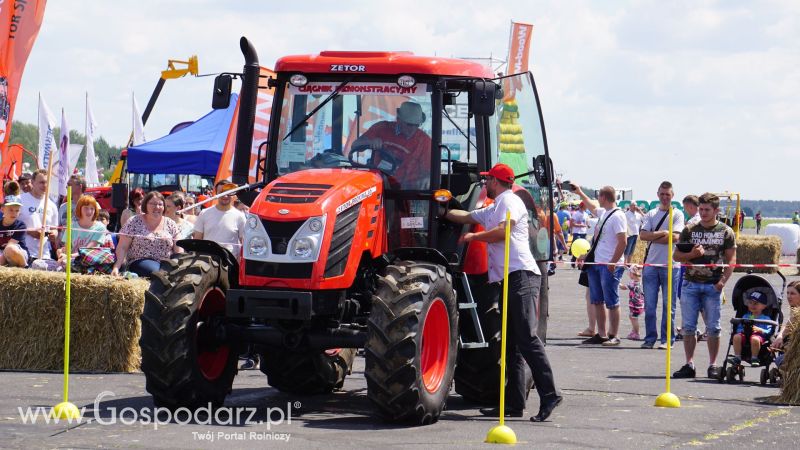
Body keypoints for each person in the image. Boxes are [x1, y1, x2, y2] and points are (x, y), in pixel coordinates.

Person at [445, 163, 561, 422]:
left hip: (522, 276)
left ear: (496, 182)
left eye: (488, 180)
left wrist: (473, 239)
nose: (485, 184)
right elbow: (466, 217)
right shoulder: (495, 206)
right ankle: (514, 403)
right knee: (511, 344)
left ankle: (550, 394)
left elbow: (502, 232)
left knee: (528, 338)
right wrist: (442, 209)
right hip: (510, 279)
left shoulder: (509, 201)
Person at [673, 193, 737, 379]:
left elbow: (732, 259)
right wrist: (691, 254)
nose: (703, 213)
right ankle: (689, 364)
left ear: (716, 210)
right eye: (700, 209)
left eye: (707, 210)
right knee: (689, 327)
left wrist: (722, 282)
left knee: (714, 328)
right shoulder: (690, 229)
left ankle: (713, 365)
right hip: (690, 283)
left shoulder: (725, 231)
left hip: (713, 286)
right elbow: (676, 256)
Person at [572, 184, 627, 346]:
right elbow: (591, 205)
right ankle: (601, 333)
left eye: (599, 197)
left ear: (604, 197)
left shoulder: (617, 216)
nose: (598, 200)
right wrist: (580, 193)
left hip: (609, 264)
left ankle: (614, 335)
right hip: (596, 262)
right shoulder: (605, 212)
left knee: (612, 301)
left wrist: (614, 261)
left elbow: (622, 241)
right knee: (597, 300)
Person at [639, 181, 684, 350]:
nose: (665, 197)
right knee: (649, 305)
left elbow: (676, 237)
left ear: (672, 196)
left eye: (668, 194)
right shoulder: (651, 213)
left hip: (671, 265)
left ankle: (667, 339)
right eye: (662, 194)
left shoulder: (677, 214)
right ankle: (650, 338)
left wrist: (655, 236)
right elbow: (643, 236)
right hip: (651, 264)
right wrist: (664, 233)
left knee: (668, 305)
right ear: (658, 194)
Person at [351, 101, 431, 189]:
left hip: (407, 190)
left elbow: (428, 171)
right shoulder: (381, 128)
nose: (413, 129)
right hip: (379, 184)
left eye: (416, 125)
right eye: (409, 124)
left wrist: (426, 178)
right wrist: (370, 142)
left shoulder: (424, 141)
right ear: (399, 119)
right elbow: (355, 145)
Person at [112, 191, 182, 278]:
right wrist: (116, 267)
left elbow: (179, 249)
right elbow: (122, 247)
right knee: (158, 273)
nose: (157, 207)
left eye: (160, 204)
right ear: (145, 205)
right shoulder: (134, 221)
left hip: (166, 264)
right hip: (140, 262)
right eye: (152, 204)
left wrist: (179, 265)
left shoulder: (171, 224)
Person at [193, 180, 246, 257]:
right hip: (207, 262)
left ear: (233, 194)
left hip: (230, 263)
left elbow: (244, 243)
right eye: (221, 192)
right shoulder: (204, 213)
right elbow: (197, 241)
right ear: (216, 194)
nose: (225, 196)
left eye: (228, 192)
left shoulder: (240, 216)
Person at [56, 195, 113, 265]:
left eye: (92, 208)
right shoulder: (71, 226)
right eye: (86, 208)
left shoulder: (100, 227)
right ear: (80, 209)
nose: (89, 211)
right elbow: (67, 248)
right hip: (72, 261)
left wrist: (68, 256)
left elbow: (87, 251)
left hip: (89, 263)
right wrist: (61, 253)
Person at [19, 169, 59, 260]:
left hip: (44, 255)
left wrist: (53, 234)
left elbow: (54, 229)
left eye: (47, 182)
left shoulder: (52, 205)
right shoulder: (20, 200)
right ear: (32, 182)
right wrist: (29, 231)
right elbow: (8, 225)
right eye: (41, 182)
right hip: (22, 253)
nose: (44, 185)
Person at [728, 291, 773, 367]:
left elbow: (769, 331)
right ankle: (737, 357)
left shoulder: (765, 318)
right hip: (745, 335)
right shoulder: (747, 316)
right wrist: (742, 330)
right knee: (736, 337)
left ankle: (754, 358)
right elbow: (740, 327)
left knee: (755, 339)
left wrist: (760, 330)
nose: (752, 305)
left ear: (763, 306)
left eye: (756, 303)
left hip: (759, 337)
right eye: (750, 303)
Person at [0, 195, 29, 267]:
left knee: (10, 249)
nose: (14, 213)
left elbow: (10, 246)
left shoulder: (21, 225)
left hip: (18, 253)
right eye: (11, 210)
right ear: (2, 209)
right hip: (1, 252)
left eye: (17, 210)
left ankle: (25, 268)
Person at [619, 265, 645, 340]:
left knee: (634, 317)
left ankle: (637, 333)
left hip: (636, 304)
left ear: (632, 274)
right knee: (632, 317)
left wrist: (618, 282)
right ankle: (634, 330)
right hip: (636, 303)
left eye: (629, 273)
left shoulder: (633, 283)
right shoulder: (638, 281)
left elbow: (623, 287)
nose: (628, 274)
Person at [59, 175, 85, 241]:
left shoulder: (92, 206)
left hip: (82, 247)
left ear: (80, 186)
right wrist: (57, 240)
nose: (66, 187)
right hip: (64, 247)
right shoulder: (63, 207)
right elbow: (58, 227)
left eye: (69, 185)